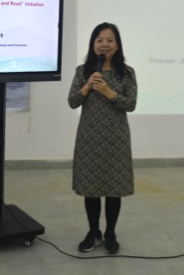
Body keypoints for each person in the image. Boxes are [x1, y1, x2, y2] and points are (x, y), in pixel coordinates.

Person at [68, 22, 137, 254]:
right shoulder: (83, 71)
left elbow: (131, 104)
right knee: (91, 188)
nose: (104, 44)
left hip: (116, 138)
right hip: (89, 137)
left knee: (113, 188)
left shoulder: (126, 73)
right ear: (93, 44)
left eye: (109, 40)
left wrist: (110, 93)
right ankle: (93, 232)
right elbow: (72, 102)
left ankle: (110, 233)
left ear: (117, 45)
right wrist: (87, 86)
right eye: (99, 40)